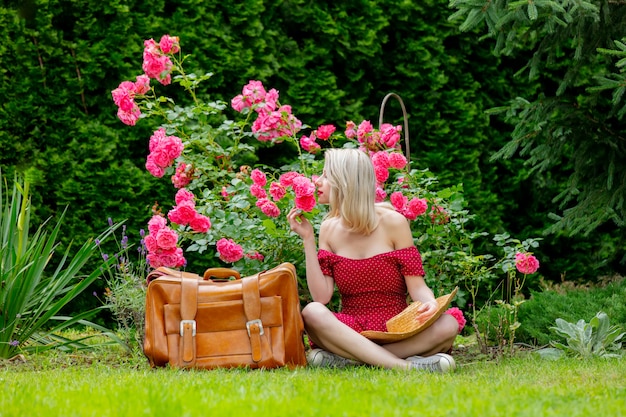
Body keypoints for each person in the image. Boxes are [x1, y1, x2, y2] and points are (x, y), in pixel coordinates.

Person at [287, 148, 461, 372]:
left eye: (326, 175)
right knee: (312, 312)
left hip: (397, 328)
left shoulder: (394, 222)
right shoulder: (328, 229)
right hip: (351, 329)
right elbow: (321, 297)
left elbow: (417, 287)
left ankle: (352, 360)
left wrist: (429, 303)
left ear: (345, 182)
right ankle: (405, 367)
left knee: (448, 324)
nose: (317, 182)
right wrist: (308, 239)